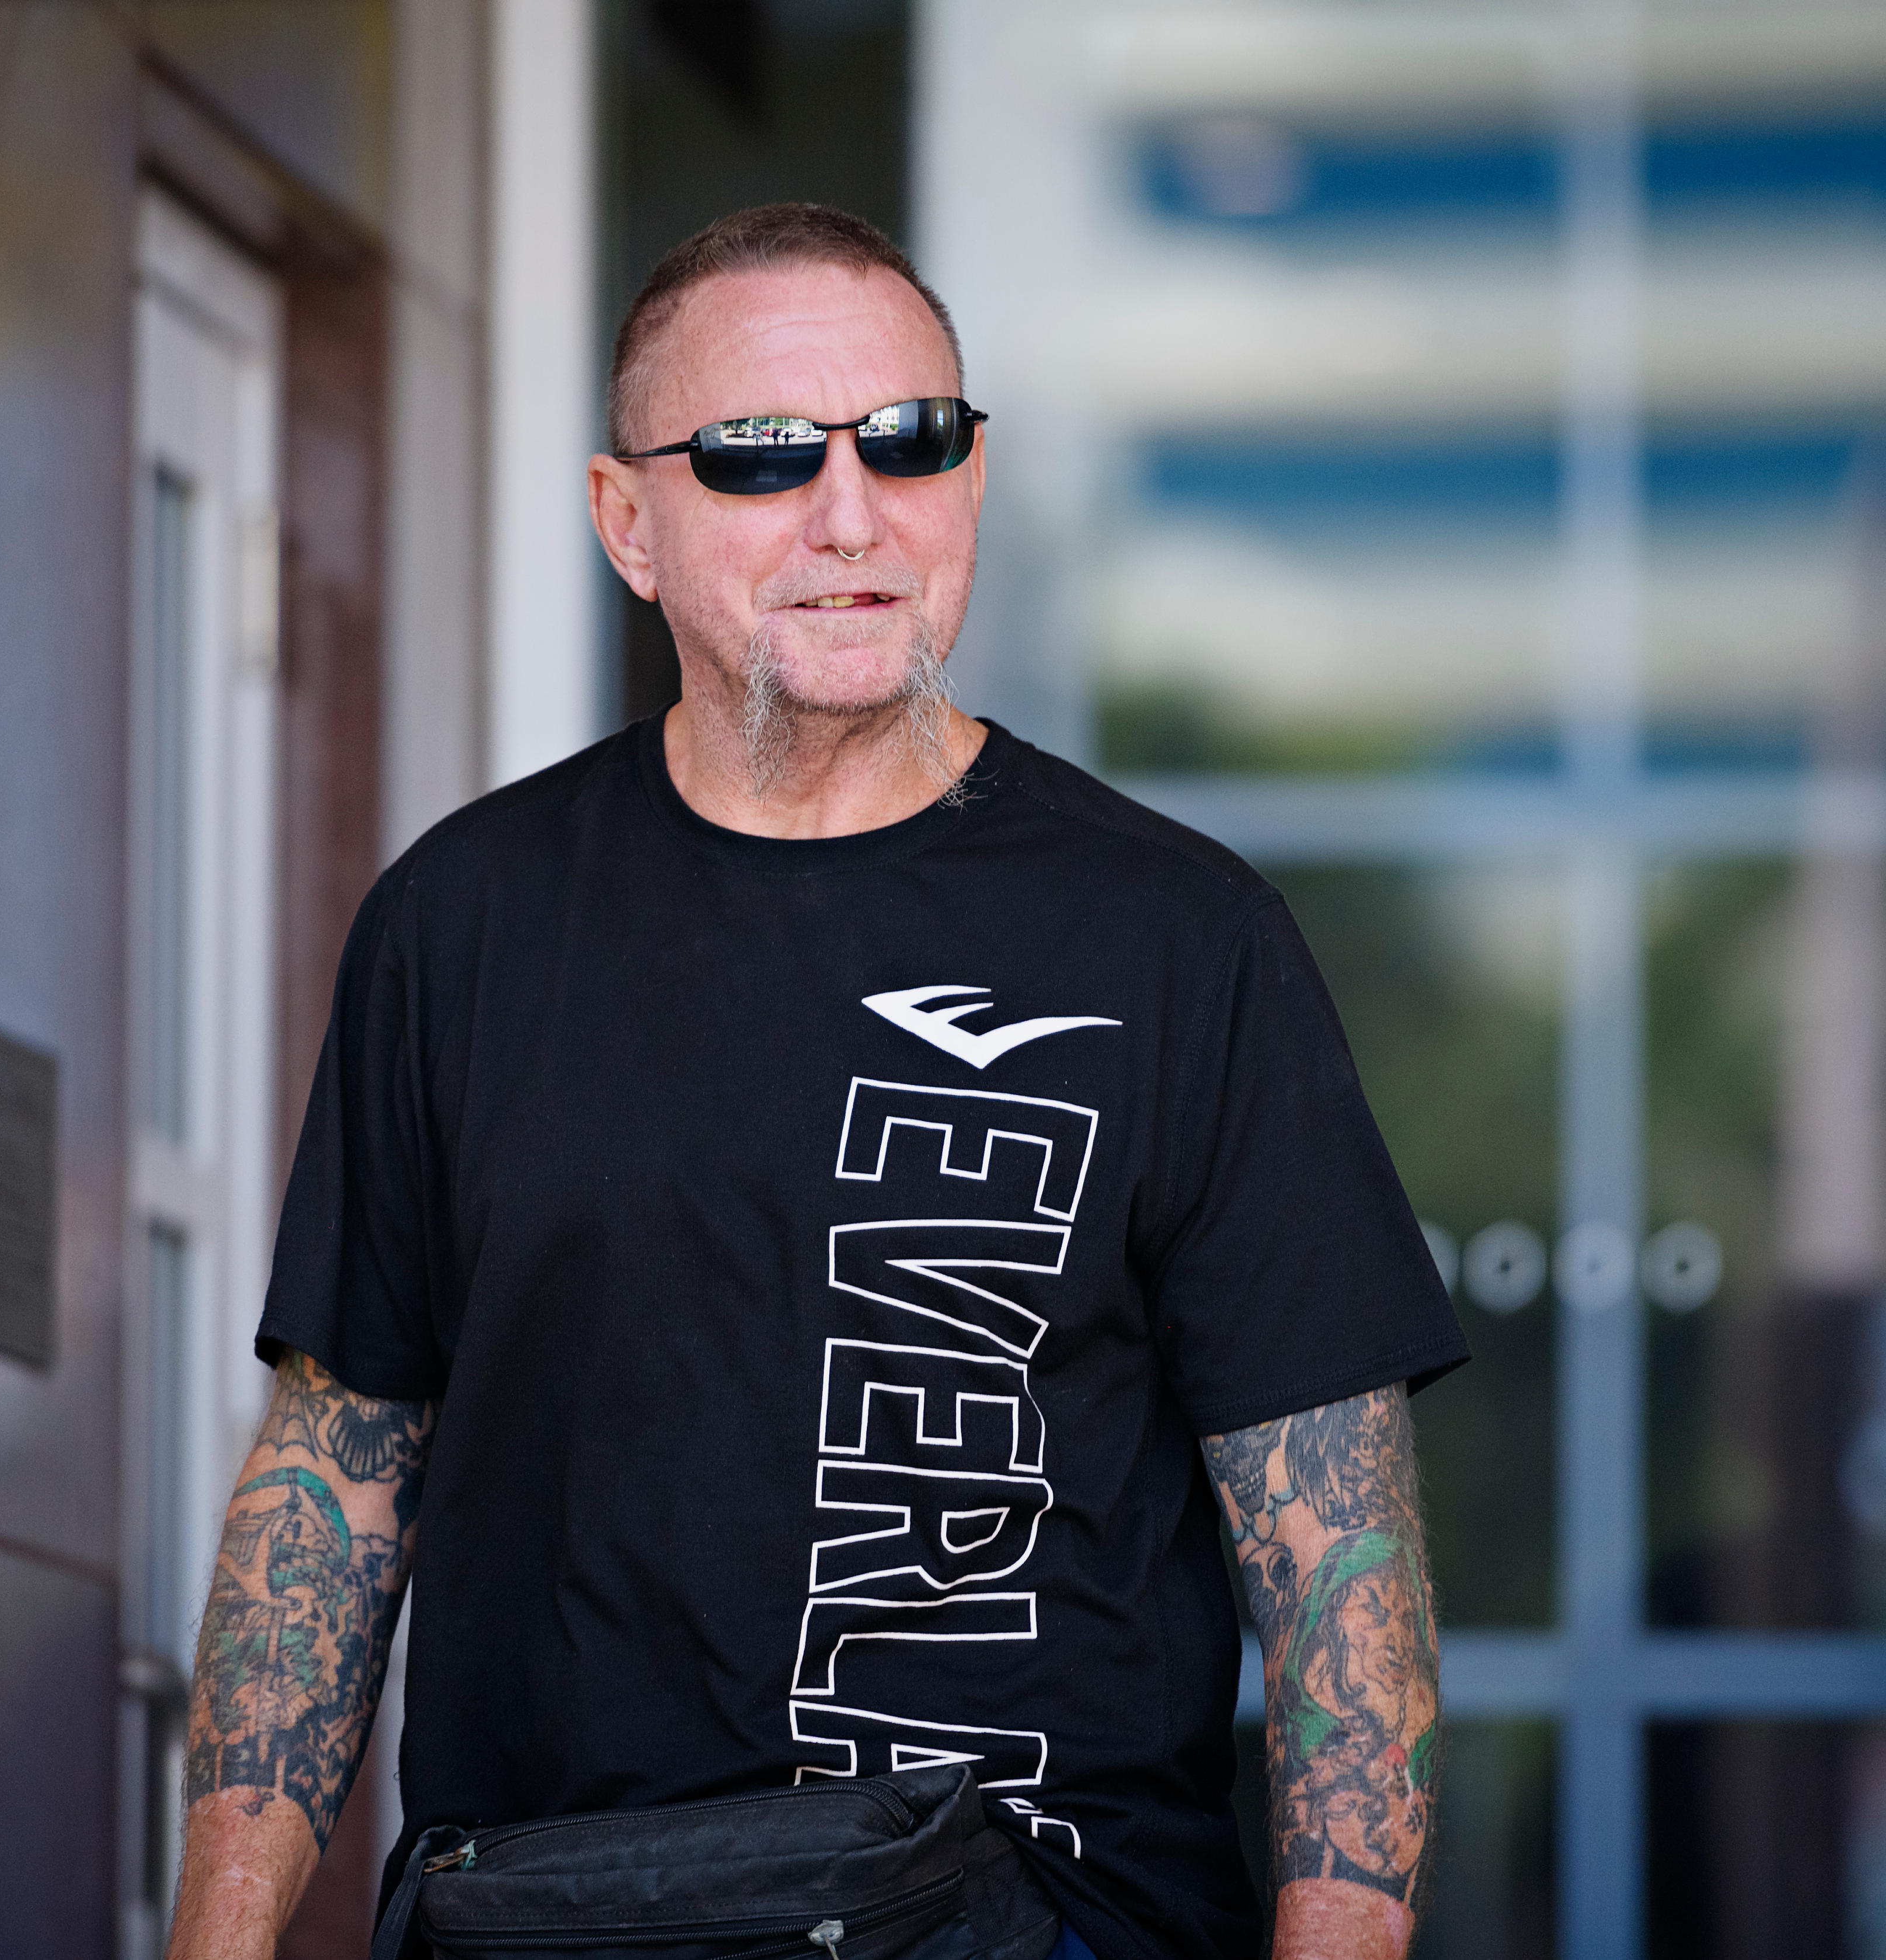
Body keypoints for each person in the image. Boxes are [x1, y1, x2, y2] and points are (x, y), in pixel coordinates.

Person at [163, 203, 1468, 1960]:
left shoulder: (1180, 939)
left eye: (908, 441)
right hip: (558, 1922)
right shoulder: (461, 925)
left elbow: (1338, 1564)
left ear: (972, 482)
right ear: (628, 521)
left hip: (1036, 1921)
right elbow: (338, 1477)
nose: (850, 515)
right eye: (762, 454)